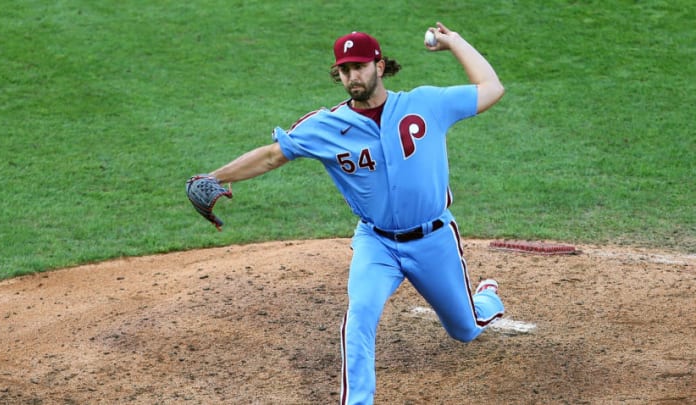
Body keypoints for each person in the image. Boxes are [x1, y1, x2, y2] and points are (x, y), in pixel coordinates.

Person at [203, 21, 505, 405]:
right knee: (359, 314)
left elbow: (491, 89)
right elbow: (270, 156)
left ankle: (487, 297)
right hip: (376, 243)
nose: (352, 76)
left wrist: (456, 42)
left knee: (465, 328)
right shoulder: (326, 126)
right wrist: (214, 178)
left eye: (359, 66)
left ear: (379, 66)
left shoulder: (425, 103)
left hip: (433, 240)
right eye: (344, 70)